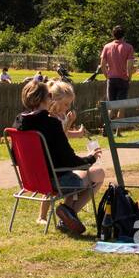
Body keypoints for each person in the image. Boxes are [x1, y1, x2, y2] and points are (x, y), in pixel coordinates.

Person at [11, 79, 105, 235]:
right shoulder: (51, 123)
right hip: (56, 181)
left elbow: (16, 159)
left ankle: (68, 214)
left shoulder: (18, 123)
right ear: (47, 98)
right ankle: (68, 212)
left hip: (31, 181)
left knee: (79, 173)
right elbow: (70, 160)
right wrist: (90, 158)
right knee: (99, 173)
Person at [99, 26, 135, 102]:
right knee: (121, 106)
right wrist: (129, 78)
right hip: (123, 79)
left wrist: (107, 76)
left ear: (113, 35)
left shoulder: (107, 47)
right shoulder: (129, 47)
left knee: (111, 105)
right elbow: (130, 66)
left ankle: (110, 115)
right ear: (124, 35)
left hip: (111, 79)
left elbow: (102, 65)